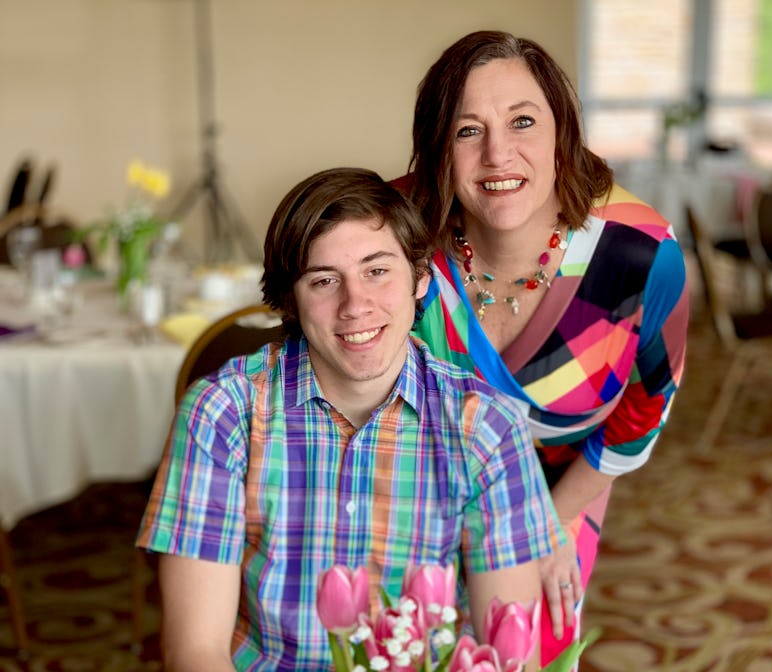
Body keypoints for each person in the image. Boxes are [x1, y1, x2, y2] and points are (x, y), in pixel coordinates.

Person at [136, 167, 562, 671]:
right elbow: (196, 651)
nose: (355, 305)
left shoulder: (487, 428)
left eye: (377, 270)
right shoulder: (223, 413)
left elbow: (507, 656)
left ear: (419, 280)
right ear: (290, 300)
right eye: (324, 280)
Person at [398, 30, 689, 666]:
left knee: (526, 643)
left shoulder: (640, 259)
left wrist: (548, 526)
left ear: (563, 130)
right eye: (467, 130)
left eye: (523, 121)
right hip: (416, 481)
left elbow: (641, 412)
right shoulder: (398, 231)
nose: (498, 154)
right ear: (436, 150)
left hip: (561, 484)